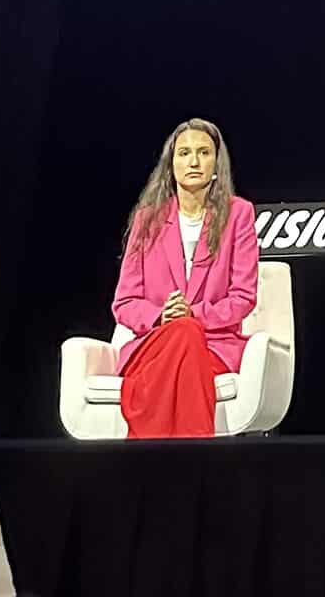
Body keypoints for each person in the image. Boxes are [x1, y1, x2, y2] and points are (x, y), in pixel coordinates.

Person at [110, 118, 259, 438]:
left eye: (204, 152)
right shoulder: (147, 219)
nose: (193, 161)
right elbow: (124, 303)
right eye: (184, 153)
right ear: (171, 163)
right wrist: (160, 315)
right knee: (182, 333)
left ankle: (144, 458)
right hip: (154, 344)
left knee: (189, 332)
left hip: (214, 346)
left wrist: (195, 315)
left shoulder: (239, 215)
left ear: (216, 163)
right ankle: (196, 464)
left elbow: (244, 297)